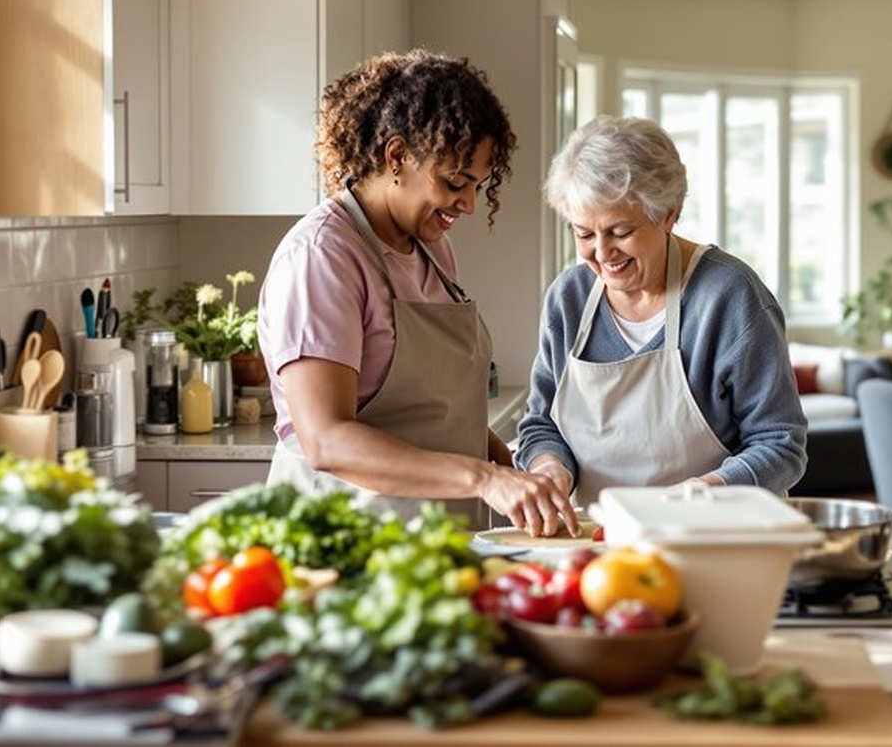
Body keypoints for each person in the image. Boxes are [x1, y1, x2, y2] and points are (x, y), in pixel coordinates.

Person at [259, 50, 579, 537]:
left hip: (435, 537)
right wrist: (484, 478)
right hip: (349, 543)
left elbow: (437, 416)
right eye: (455, 181)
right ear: (396, 156)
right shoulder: (322, 257)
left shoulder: (431, 250)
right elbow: (326, 440)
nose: (469, 204)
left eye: (478, 185)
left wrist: (515, 469)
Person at [514, 115, 808, 508]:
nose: (602, 254)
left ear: (668, 213)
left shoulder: (729, 298)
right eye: (584, 233)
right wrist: (550, 468)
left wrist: (700, 495)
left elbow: (781, 444)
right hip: (599, 540)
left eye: (620, 232)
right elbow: (541, 425)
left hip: (713, 531)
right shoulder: (568, 299)